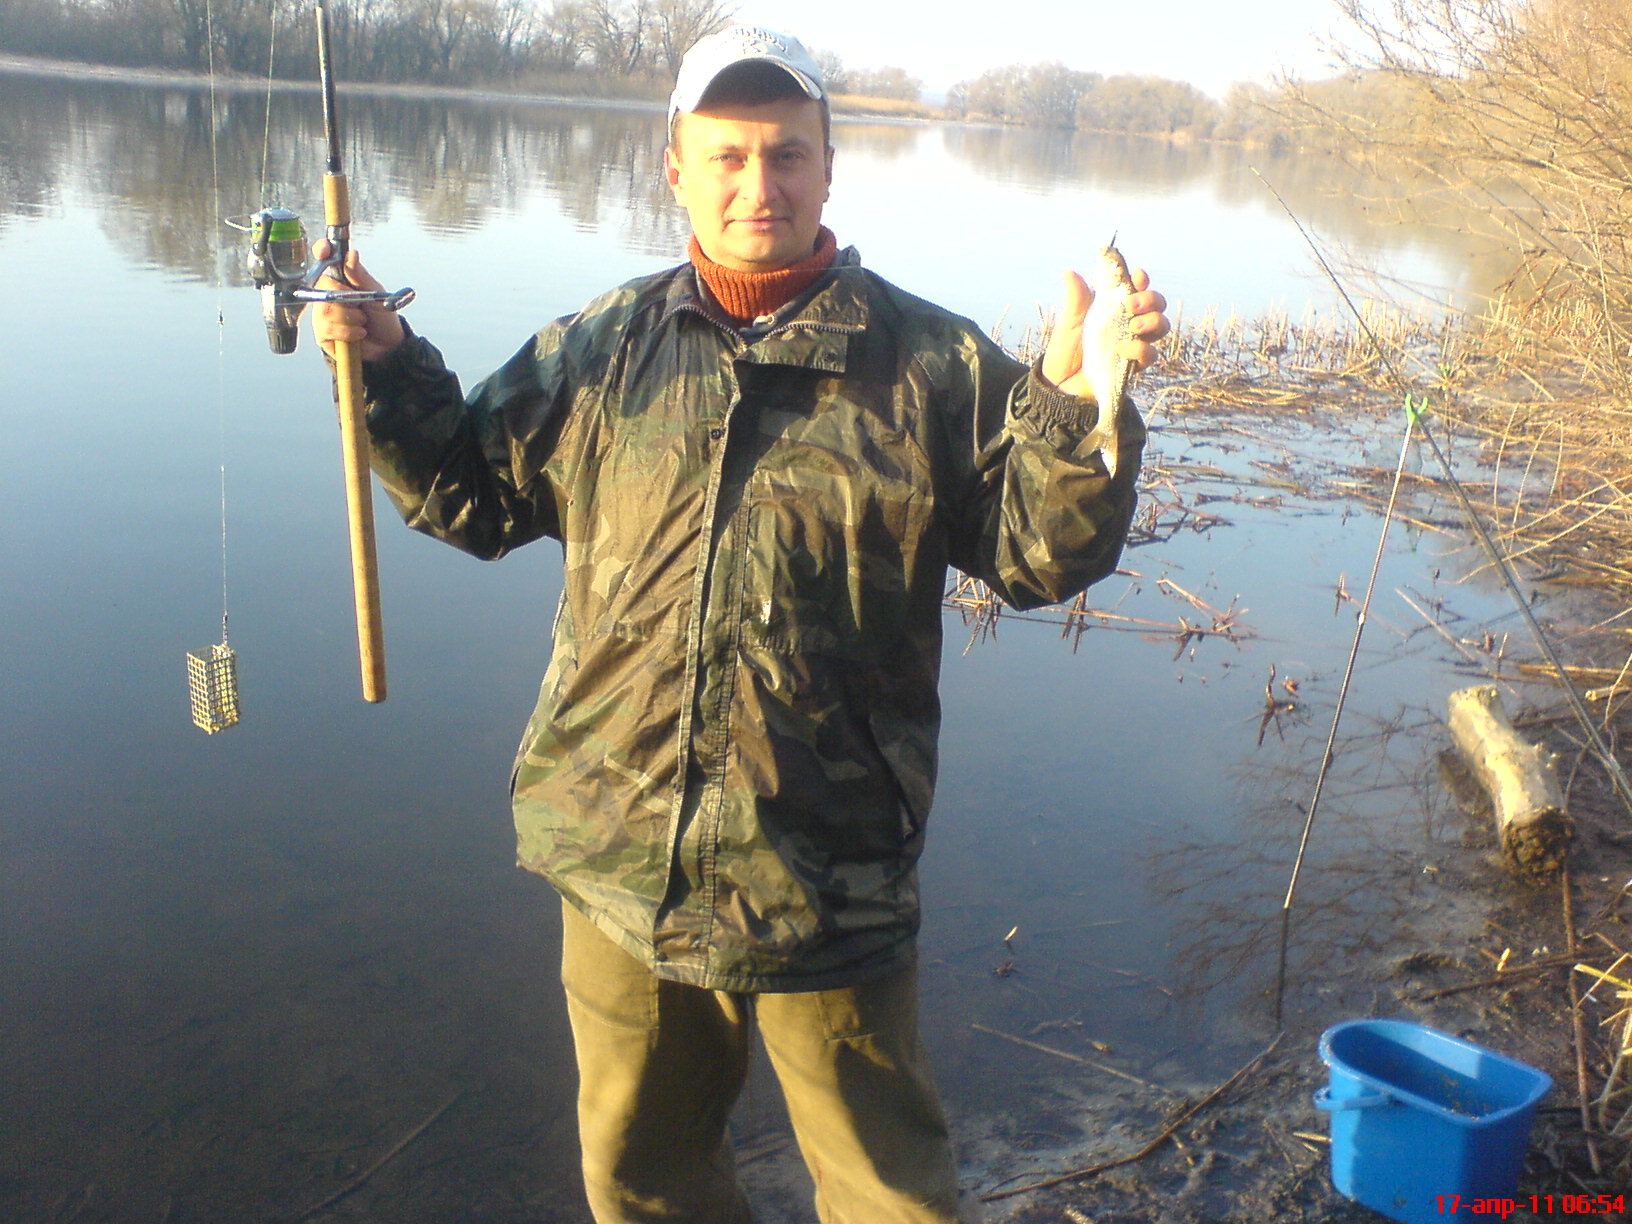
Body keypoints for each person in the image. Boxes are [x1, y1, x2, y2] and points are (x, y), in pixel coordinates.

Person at [311, 24, 1168, 1224]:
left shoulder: (932, 365)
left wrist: (1078, 410)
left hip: (833, 878)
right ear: (675, 168)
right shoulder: (603, 347)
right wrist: (388, 360)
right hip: (619, 862)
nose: (757, 184)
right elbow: (471, 491)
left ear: (829, 168)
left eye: (786, 154)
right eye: (726, 155)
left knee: (891, 1197)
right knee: (643, 1184)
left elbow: (1040, 556)